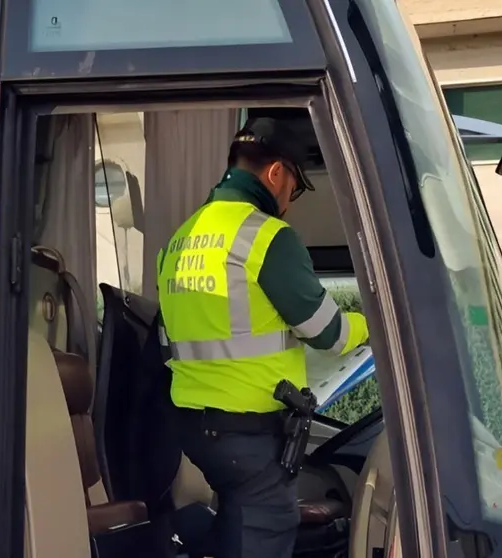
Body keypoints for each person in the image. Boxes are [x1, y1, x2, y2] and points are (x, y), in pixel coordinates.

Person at [155, 117, 370, 558]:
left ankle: (206, 536)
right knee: (269, 522)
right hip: (244, 432)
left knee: (240, 517)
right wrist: (380, 323)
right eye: (295, 186)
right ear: (276, 173)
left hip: (195, 425)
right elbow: (328, 333)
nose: (290, 200)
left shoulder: (180, 239)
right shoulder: (266, 237)